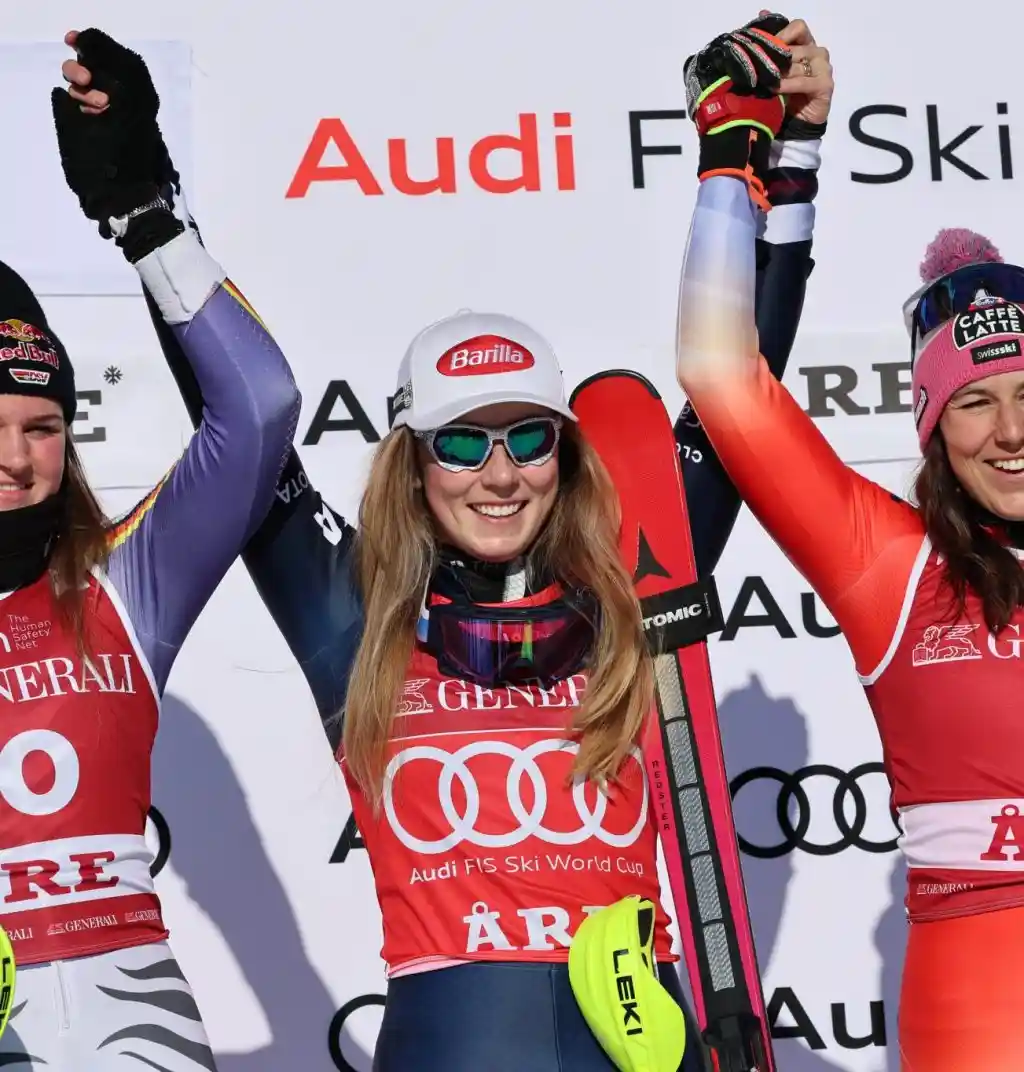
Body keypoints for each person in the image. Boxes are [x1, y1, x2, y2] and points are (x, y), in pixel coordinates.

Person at [130, 14, 826, 1069]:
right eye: (461, 442)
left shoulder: (629, 593)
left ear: (564, 453)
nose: (499, 474)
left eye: (527, 438)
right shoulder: (357, 616)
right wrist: (145, 214)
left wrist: (780, 157)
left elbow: (739, 386)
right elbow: (245, 419)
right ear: (413, 462)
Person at [675, 14, 1024, 1072]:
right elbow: (721, 375)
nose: (1010, 432)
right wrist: (748, 159)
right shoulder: (895, 565)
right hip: (983, 996)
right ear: (931, 427)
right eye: (975, 404)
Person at [0, 28, 301, 1070]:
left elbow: (258, 410)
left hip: (134, 1021)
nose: (18, 458)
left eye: (42, 426)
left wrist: (145, 221)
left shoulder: (122, 580)